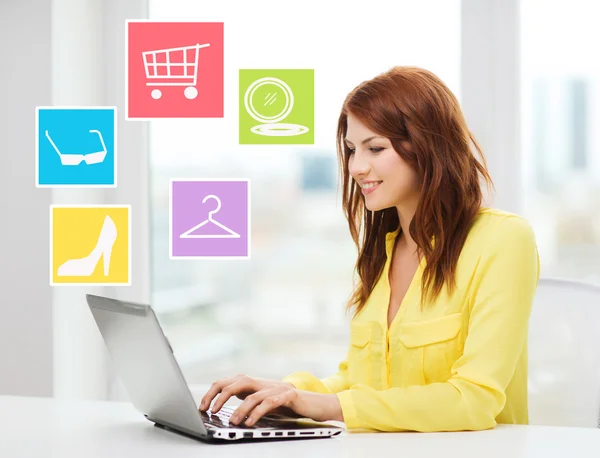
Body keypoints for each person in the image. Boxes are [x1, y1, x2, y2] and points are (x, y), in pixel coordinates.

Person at [199, 66, 540, 432]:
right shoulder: (385, 252)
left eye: (375, 148)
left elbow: (474, 400)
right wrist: (286, 393)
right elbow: (359, 385)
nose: (357, 167)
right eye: (350, 149)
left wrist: (327, 406)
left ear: (428, 145)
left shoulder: (504, 240)